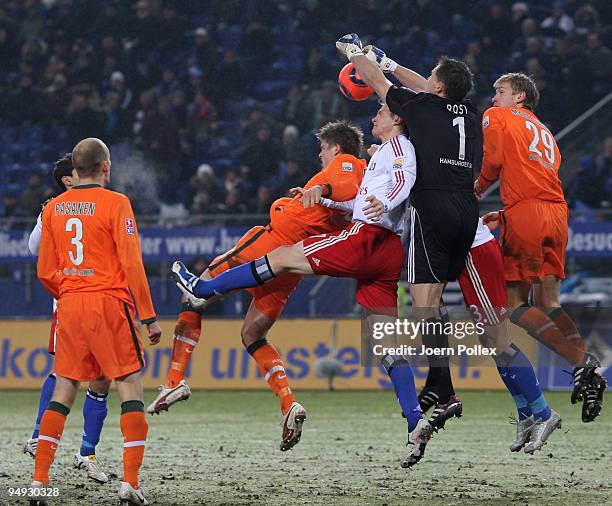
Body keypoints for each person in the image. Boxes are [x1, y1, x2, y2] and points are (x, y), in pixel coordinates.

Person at [172, 103, 437, 469]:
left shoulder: (390, 149)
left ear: (396, 120)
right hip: (389, 250)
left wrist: (337, 189)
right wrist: (325, 197)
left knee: (280, 257)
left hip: (367, 237)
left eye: (381, 112)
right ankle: (414, 422)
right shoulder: (384, 155)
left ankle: (202, 290)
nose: (375, 117)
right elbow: (358, 196)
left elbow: (386, 183)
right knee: (385, 344)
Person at [147, 121, 366, 452]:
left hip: (274, 243)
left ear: (337, 148)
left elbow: (345, 185)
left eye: (323, 148)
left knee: (194, 294)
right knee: (252, 335)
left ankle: (174, 381)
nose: (320, 154)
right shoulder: (361, 174)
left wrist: (321, 191)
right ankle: (288, 402)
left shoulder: (347, 164)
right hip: (291, 265)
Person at [336, 34, 480, 425]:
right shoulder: (467, 111)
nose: (426, 80)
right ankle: (439, 383)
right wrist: (391, 62)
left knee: (423, 305)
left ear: (438, 87)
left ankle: (443, 388)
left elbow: (380, 86)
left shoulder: (420, 109)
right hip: (467, 209)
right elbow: (423, 85)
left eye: (431, 77)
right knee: (433, 301)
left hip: (431, 207)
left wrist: (357, 53)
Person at [33, 138, 162, 506]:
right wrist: (149, 316)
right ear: (106, 167)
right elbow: (132, 262)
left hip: (69, 303)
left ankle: (39, 482)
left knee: (64, 389)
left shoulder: (54, 208)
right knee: (129, 385)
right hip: (109, 301)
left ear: (75, 170)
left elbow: (44, 270)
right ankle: (130, 483)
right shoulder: (117, 203)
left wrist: (71, 291)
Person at [474, 73, 606, 422]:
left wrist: (476, 188)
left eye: (499, 91)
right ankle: (590, 371)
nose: (493, 98)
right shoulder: (544, 130)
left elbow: (493, 158)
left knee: (513, 303)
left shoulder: (497, 116)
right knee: (549, 301)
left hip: (528, 213)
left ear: (519, 96)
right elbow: (537, 175)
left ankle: (581, 361)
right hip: (558, 213)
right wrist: (507, 212)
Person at [24, 153, 111, 484]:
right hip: (72, 299)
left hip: (103, 299)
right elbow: (34, 248)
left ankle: (86, 453)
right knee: (64, 372)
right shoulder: (55, 208)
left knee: (102, 376)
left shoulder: (103, 203)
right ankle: (38, 437)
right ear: (68, 180)